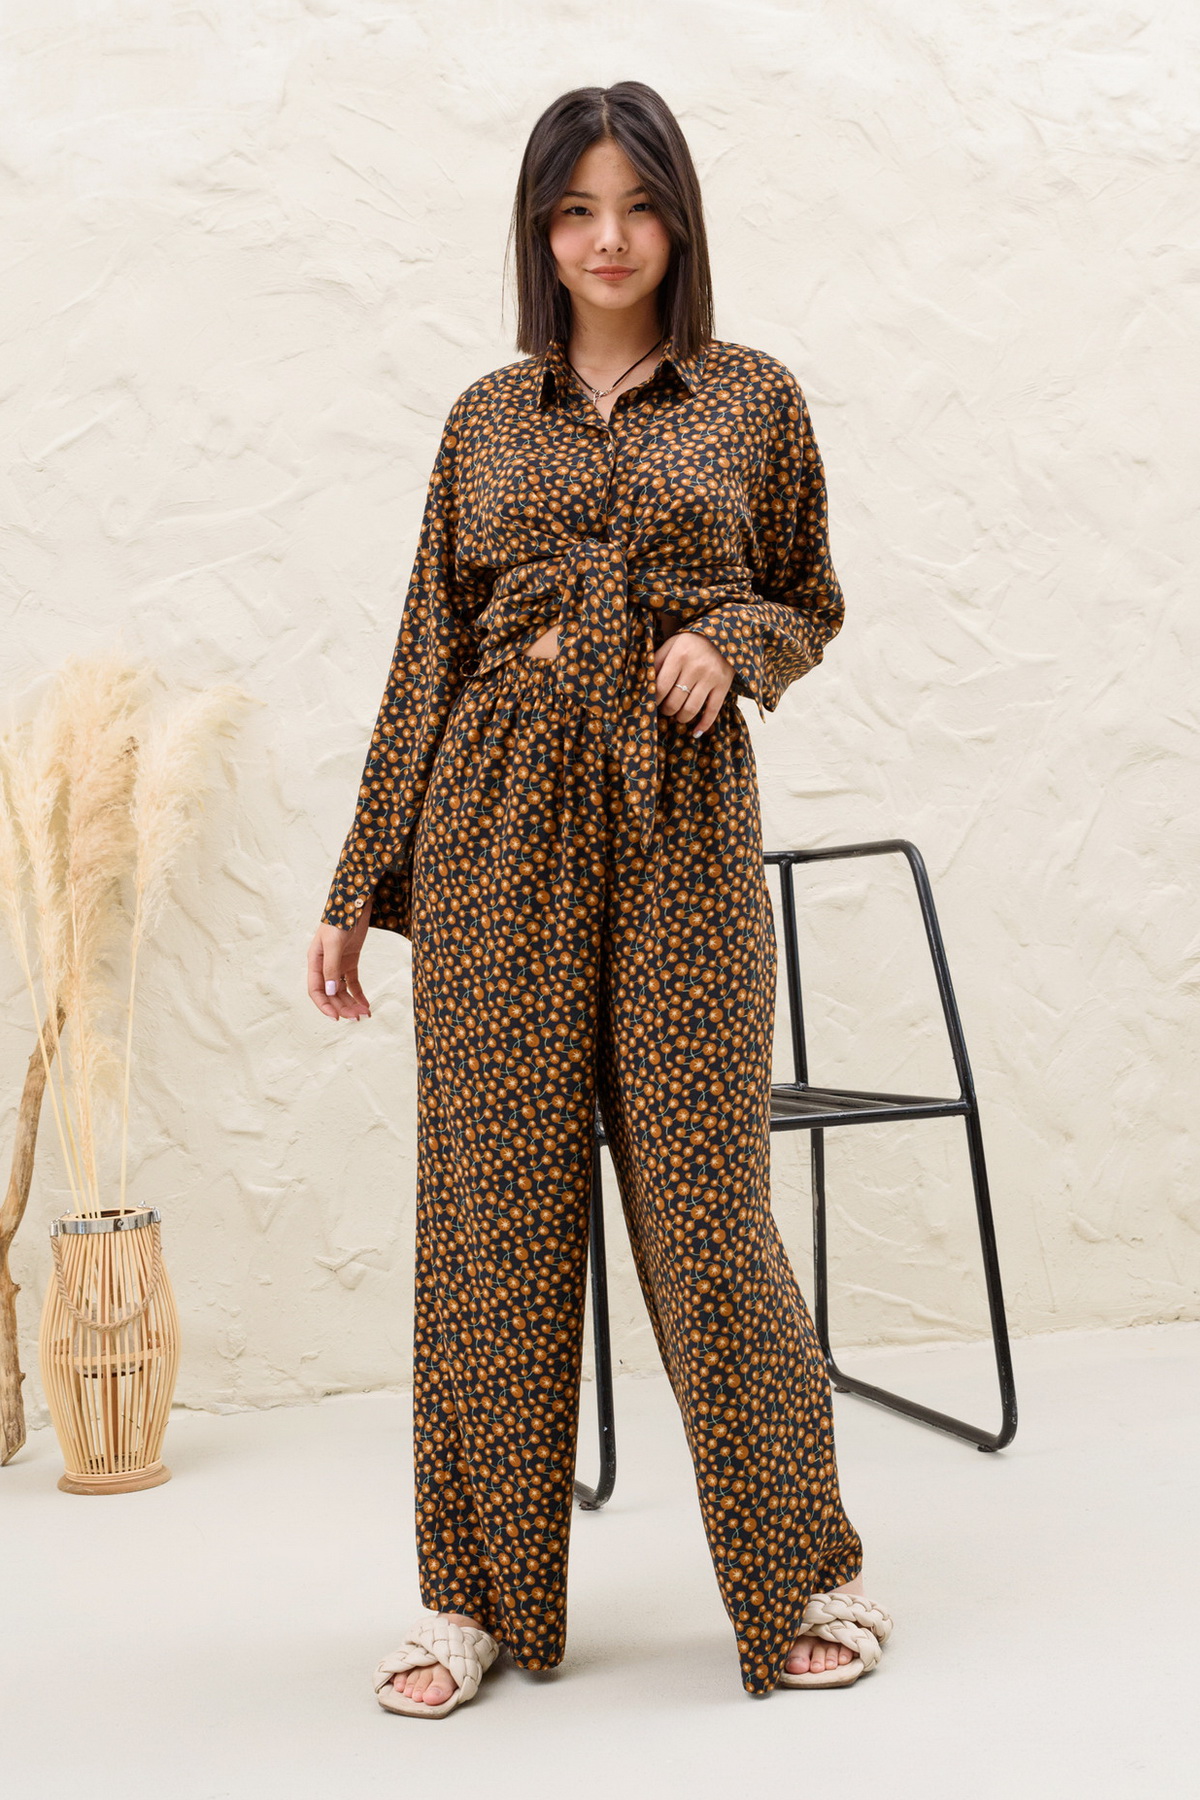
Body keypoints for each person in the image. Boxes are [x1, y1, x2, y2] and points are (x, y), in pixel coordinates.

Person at [307, 80, 892, 1716]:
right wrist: (359, 882)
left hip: (680, 817)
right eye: (576, 209)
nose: (609, 238)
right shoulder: (486, 418)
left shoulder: (753, 398)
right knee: (489, 1221)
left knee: (708, 1214)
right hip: (495, 824)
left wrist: (734, 641)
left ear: (679, 222)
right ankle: (473, 1601)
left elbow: (811, 594)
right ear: (540, 230)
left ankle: (804, 1576)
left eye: (637, 206)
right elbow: (426, 651)